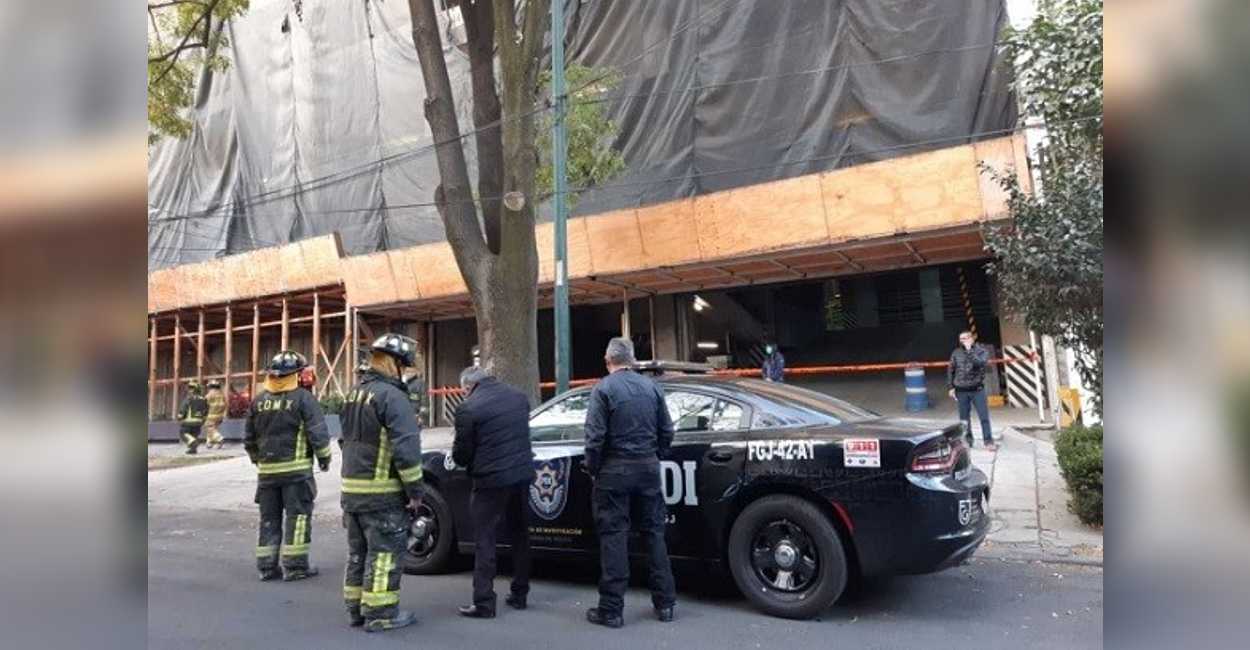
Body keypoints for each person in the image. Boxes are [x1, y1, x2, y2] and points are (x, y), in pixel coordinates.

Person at [583, 337, 677, 629]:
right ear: (633, 360)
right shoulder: (652, 388)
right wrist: (656, 454)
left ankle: (611, 609)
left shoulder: (603, 389)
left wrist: (594, 469)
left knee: (614, 537)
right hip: (648, 468)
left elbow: (595, 438)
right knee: (654, 534)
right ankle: (665, 604)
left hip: (614, 471)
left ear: (607, 360)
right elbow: (667, 430)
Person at [339, 333, 426, 633]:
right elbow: (406, 449)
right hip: (382, 495)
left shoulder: (354, 394)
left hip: (352, 493)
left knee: (358, 553)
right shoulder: (393, 398)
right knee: (385, 553)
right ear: (395, 365)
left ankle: (355, 609)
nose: (408, 372)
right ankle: (381, 613)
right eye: (405, 366)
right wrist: (415, 492)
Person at [451, 366, 535, 619]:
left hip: (489, 480)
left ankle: (485, 602)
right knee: (520, 534)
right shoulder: (519, 398)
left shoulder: (468, 408)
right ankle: (520, 593)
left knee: (485, 538)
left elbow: (461, 455)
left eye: (464, 391)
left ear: (468, 387)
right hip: (521, 475)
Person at [243, 351, 332, 582]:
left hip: (267, 475)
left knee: (269, 519)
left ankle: (266, 567)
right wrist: (324, 459)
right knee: (298, 518)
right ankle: (295, 567)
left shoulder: (258, 401)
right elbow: (318, 434)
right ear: (296, 374)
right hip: (296, 474)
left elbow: (249, 440)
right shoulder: (303, 399)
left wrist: (259, 462)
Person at [947, 331, 997, 451]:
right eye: (961, 339)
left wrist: (970, 351)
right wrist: (950, 387)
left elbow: (979, 363)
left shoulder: (981, 351)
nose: (963, 341)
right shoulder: (956, 352)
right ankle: (968, 441)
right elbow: (951, 370)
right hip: (961, 390)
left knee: (983, 416)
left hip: (977, 389)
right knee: (964, 419)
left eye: (965, 338)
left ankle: (988, 441)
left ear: (972, 338)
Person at [177, 380, 209, 455]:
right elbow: (206, 411)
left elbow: (183, 409)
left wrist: (180, 417)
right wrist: (203, 420)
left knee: (183, 433)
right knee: (194, 435)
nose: (189, 390)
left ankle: (193, 442)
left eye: (190, 388)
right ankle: (193, 449)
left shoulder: (189, 398)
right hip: (199, 422)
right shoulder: (203, 399)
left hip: (188, 421)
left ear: (193, 389)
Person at [203, 379, 227, 449]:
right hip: (220, 415)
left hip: (211, 415)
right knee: (213, 429)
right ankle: (209, 443)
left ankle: (219, 439)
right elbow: (225, 404)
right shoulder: (222, 395)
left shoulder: (209, 395)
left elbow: (204, 405)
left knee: (210, 428)